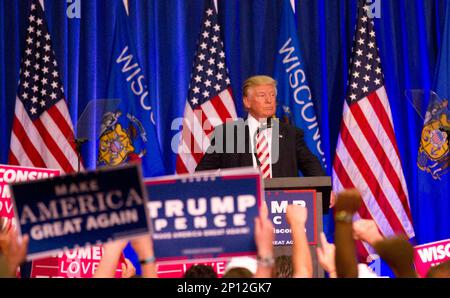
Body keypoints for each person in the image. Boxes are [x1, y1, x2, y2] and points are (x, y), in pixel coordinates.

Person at [195, 75, 325, 178]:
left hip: (283, 204)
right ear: (247, 102)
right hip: (245, 204)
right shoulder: (228, 135)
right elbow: (202, 174)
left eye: (272, 95)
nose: (269, 100)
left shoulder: (291, 134)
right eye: (262, 95)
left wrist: (325, 190)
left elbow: (311, 165)